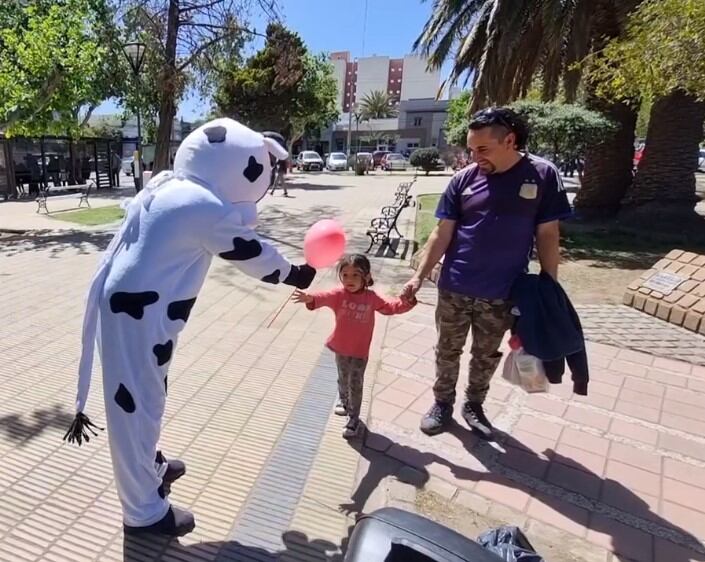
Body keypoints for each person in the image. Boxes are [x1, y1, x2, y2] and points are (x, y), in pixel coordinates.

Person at [64, 118, 316, 537]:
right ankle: (142, 511)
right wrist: (295, 274)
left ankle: (151, 468)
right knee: (136, 407)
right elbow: (250, 252)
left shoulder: (172, 186)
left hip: (141, 315)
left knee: (147, 399)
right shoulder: (202, 206)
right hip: (138, 317)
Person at [401, 107, 572, 439]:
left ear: (509, 141)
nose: (474, 157)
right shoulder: (463, 179)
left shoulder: (541, 175)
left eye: (483, 149)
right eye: (471, 149)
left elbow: (548, 235)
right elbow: (442, 233)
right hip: (454, 286)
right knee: (446, 351)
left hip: (502, 293)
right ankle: (442, 403)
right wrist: (418, 276)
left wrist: (550, 288)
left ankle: (474, 405)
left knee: (486, 354)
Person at [293, 254, 416, 438]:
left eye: (355, 275)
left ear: (366, 277)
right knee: (343, 377)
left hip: (359, 352)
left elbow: (391, 307)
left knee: (355, 383)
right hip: (340, 347)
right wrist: (309, 298)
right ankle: (343, 400)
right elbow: (323, 297)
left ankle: (354, 419)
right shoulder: (338, 294)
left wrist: (407, 301)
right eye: (345, 275)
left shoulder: (371, 298)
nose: (349, 280)